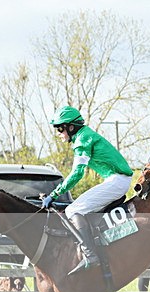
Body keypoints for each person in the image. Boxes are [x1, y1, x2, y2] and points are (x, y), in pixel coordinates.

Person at [43, 106, 134, 275]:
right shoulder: (83, 136)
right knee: (82, 211)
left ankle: (90, 255)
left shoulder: (82, 140)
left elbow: (77, 173)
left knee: (73, 209)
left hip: (117, 181)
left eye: (60, 128)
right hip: (117, 180)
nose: (58, 132)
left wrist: (54, 193)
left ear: (71, 127)